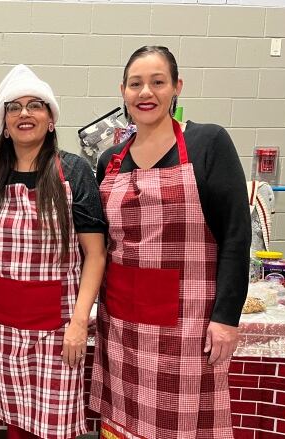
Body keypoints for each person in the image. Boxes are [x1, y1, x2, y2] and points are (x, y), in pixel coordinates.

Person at [90, 45, 251, 439]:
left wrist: (226, 318)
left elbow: (235, 234)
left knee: (181, 422)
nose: (146, 92)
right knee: (123, 420)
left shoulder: (207, 143)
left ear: (176, 87)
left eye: (157, 82)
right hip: (121, 323)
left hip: (188, 324)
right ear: (122, 92)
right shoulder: (109, 159)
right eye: (136, 84)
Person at [0, 65, 107, 439]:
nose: (24, 114)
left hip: (58, 325)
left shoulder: (73, 171)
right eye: (14, 107)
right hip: (1, 323)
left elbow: (95, 255)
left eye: (36, 105)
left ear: (51, 119)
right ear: (3, 121)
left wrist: (80, 323)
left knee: (53, 427)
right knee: (15, 423)